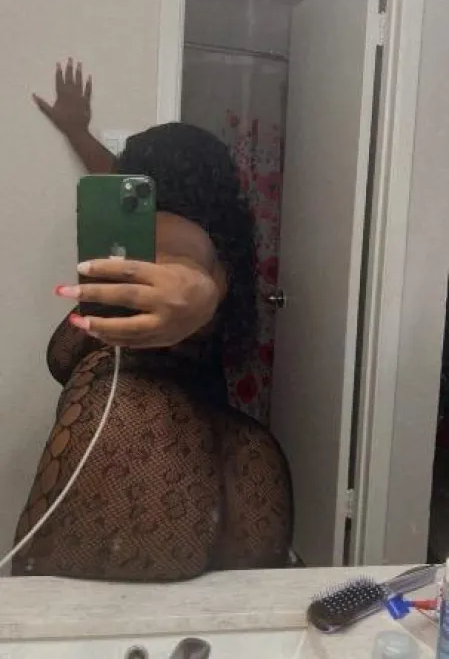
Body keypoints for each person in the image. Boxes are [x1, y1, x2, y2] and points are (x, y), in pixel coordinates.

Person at [12, 59, 293, 582]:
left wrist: (192, 290)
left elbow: (185, 266)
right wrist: (78, 132)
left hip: (148, 445)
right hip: (242, 463)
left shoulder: (174, 234)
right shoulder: (217, 238)